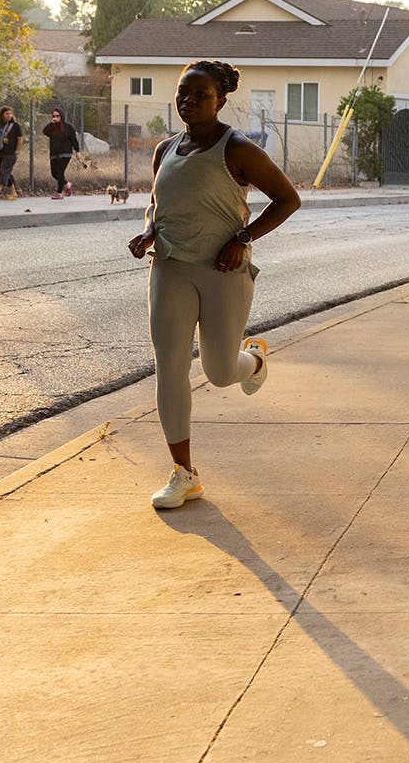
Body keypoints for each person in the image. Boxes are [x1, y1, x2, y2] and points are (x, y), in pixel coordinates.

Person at [128, 60, 302, 509]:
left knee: (220, 373)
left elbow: (288, 199)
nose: (188, 101)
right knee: (169, 366)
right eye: (182, 93)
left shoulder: (238, 149)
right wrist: (149, 230)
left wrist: (242, 237)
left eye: (199, 95)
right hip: (169, 267)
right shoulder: (165, 149)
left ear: (220, 102)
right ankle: (183, 473)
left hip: (223, 272)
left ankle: (254, 362)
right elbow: (157, 203)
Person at [42, 107, 81, 199]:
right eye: (53, 116)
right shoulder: (52, 127)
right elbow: (45, 131)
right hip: (54, 153)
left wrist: (77, 151)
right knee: (54, 173)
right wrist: (51, 123)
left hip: (65, 153)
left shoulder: (68, 127)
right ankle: (67, 184)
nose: (55, 117)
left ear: (61, 116)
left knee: (60, 171)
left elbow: (74, 140)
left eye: (57, 116)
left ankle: (59, 193)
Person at [0, 106, 23, 200]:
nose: (9, 116)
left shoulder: (15, 126)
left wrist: (17, 150)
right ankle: (14, 193)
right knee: (6, 172)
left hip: (10, 153)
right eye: (7, 114)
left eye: (10, 113)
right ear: (2, 114)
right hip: (0, 152)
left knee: (4, 171)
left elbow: (20, 138)